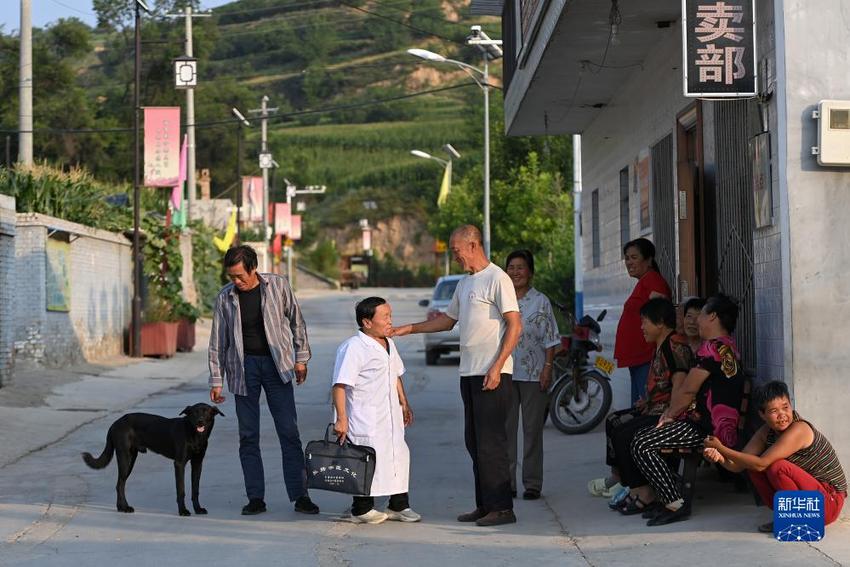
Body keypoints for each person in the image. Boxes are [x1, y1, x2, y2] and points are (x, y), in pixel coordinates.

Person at [392, 225, 522, 527]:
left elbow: (515, 326)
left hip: (493, 373)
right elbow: (447, 321)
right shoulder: (465, 284)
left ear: (473, 244)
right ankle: (485, 504)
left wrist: (497, 365)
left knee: (492, 443)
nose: (455, 256)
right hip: (470, 373)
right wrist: (407, 329)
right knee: (475, 442)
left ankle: (503, 508)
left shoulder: (498, 278)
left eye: (456, 250)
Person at [208, 245, 319, 516]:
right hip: (243, 369)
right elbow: (217, 341)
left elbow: (297, 321)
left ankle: (300, 495)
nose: (236, 282)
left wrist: (301, 358)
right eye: (231, 277)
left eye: (240, 276)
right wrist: (216, 379)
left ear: (253, 268)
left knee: (289, 432)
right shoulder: (225, 298)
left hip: (276, 366)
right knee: (248, 436)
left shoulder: (278, 286)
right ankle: (255, 497)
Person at [630, 293, 745, 526]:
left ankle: (675, 503)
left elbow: (688, 390)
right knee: (642, 438)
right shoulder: (726, 347)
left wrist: (668, 415)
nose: (694, 321)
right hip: (712, 426)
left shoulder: (711, 349)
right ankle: (669, 497)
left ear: (712, 316)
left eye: (701, 314)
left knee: (642, 443)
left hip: (708, 430)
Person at [587, 298, 694, 512]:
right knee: (614, 421)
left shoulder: (674, 346)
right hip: (654, 408)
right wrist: (648, 401)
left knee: (624, 434)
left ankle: (642, 491)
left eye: (645, 322)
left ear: (660, 322)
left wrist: (669, 416)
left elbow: (680, 385)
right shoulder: (660, 345)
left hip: (668, 415)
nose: (641, 327)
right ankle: (628, 483)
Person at [704, 380, 846, 533]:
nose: (782, 415)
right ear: (762, 414)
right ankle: (787, 516)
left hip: (829, 502)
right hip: (813, 499)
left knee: (776, 467)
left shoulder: (800, 429)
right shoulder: (766, 432)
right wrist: (718, 457)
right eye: (774, 411)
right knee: (753, 468)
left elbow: (762, 463)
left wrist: (721, 447)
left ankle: (797, 520)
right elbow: (738, 466)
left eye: (785, 407)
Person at [331, 297, 420, 525]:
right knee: (366, 461)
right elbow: (340, 385)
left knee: (398, 457)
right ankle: (361, 510)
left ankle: (398, 505)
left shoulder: (388, 343)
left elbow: (396, 374)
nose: (390, 321)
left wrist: (404, 402)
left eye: (390, 315)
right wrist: (341, 419)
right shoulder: (354, 347)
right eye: (385, 317)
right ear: (367, 322)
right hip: (365, 417)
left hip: (389, 414)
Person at [504, 249, 560, 500]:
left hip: (534, 374)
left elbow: (551, 339)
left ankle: (532, 483)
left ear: (530, 272)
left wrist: (547, 368)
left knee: (532, 431)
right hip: (503, 373)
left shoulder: (541, 301)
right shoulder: (500, 299)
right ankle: (507, 483)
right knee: (505, 431)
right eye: (511, 267)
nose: (515, 272)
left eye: (520, 267)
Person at [614, 238, 672, 406]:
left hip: (647, 355)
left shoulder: (653, 281)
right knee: (638, 407)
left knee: (644, 407)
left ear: (648, 260)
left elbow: (661, 320)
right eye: (627, 258)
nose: (629, 262)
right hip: (639, 357)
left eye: (634, 257)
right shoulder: (645, 282)